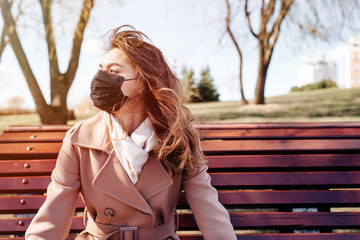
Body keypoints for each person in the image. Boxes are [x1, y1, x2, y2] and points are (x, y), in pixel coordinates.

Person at [25, 25, 237, 240]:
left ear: (144, 83)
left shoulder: (179, 139)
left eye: (114, 71)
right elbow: (54, 213)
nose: (101, 78)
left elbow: (207, 205)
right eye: (101, 69)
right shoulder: (79, 138)